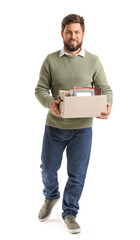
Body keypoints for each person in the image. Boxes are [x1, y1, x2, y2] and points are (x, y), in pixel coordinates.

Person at [35, 14, 113, 234]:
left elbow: (105, 89)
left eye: (77, 32)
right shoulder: (51, 60)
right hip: (55, 126)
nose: (73, 36)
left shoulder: (93, 61)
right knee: (48, 168)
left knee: (77, 174)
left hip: (82, 129)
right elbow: (40, 89)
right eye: (68, 32)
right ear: (62, 33)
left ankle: (70, 213)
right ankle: (51, 196)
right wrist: (51, 103)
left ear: (83, 34)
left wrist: (108, 105)